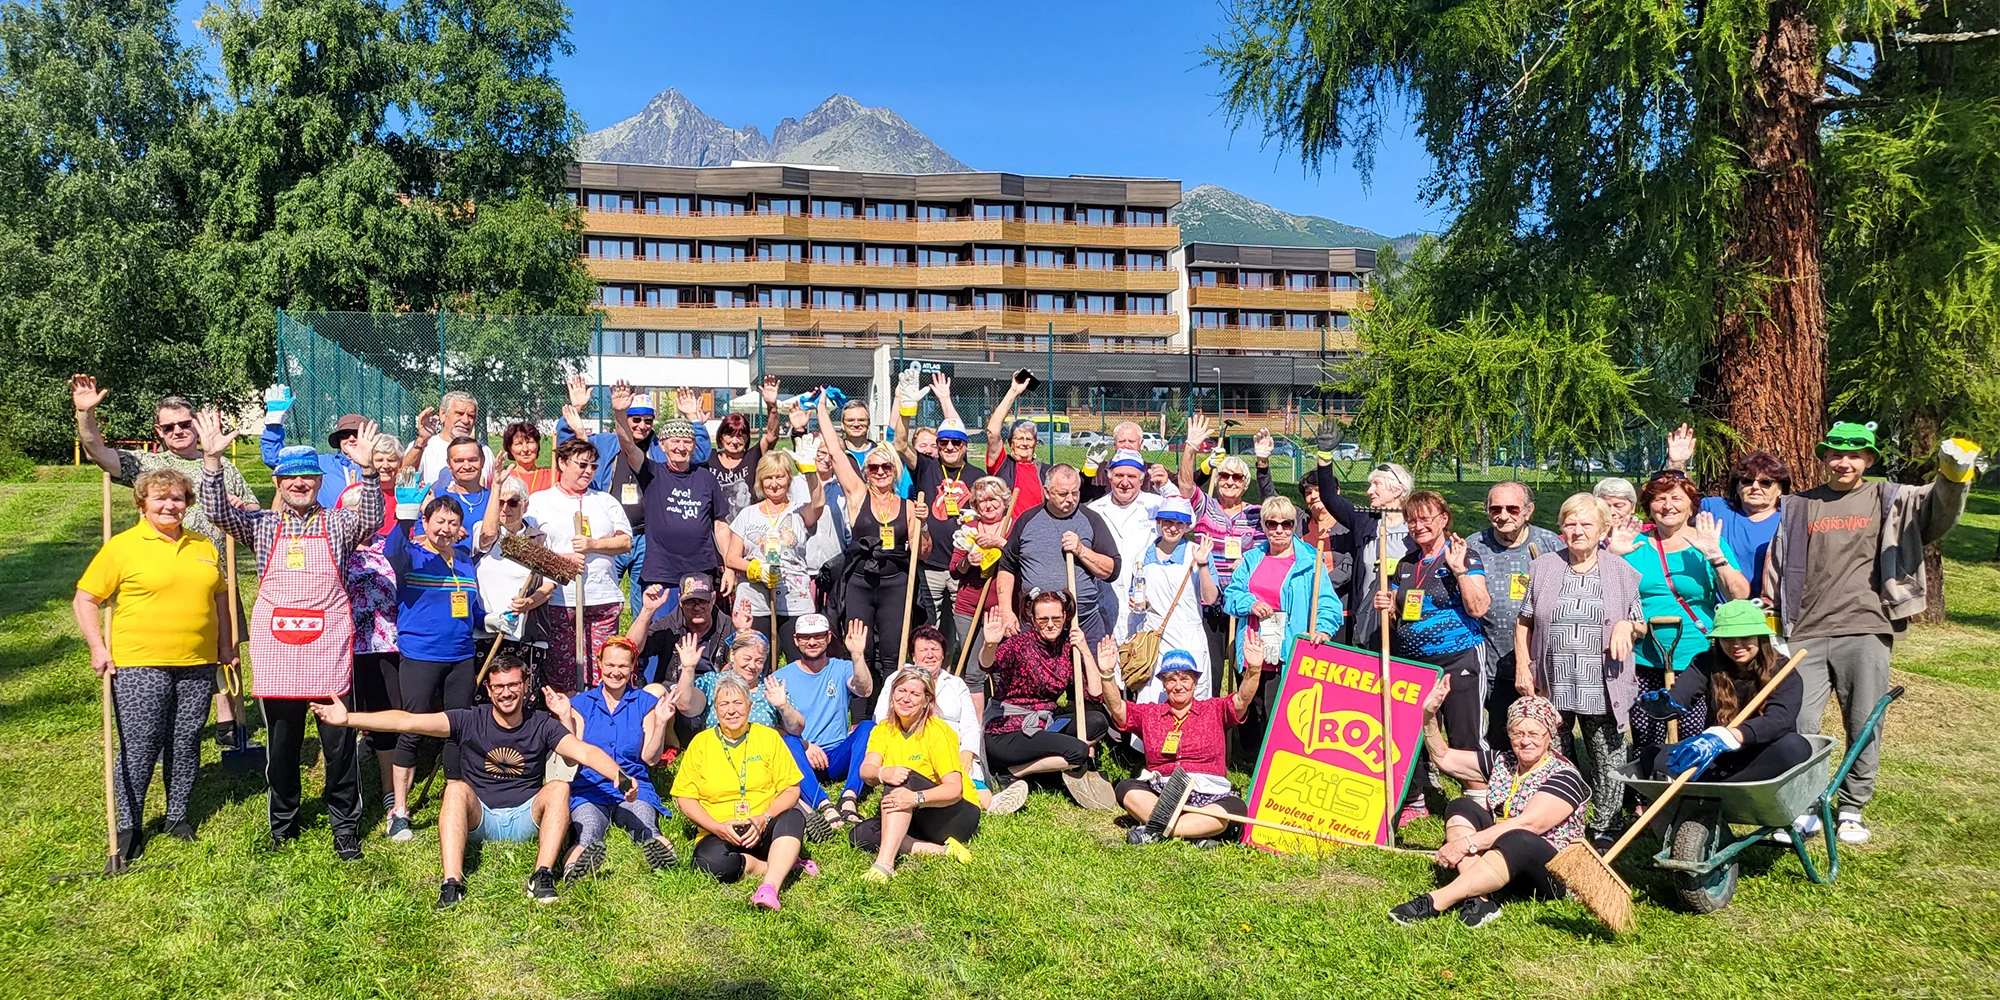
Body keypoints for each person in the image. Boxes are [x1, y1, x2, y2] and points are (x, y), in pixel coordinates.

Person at [1766, 424, 1978, 844]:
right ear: (1824, 458)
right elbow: (1777, 565)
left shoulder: (1891, 497)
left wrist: (1954, 474)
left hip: (1866, 627)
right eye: (1835, 454)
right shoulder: (1798, 506)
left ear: (1869, 460)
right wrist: (1774, 624)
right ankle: (1805, 804)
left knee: (1863, 721)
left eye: (1855, 455)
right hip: (1805, 630)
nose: (1843, 462)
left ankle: (1851, 808)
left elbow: (1940, 510)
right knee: (1797, 720)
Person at [198, 410, 382, 860]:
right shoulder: (261, 525)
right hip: (278, 651)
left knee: (339, 745)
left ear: (319, 482)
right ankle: (283, 824)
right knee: (282, 746)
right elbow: (216, 511)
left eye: (308, 477)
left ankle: (345, 827)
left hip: (328, 649)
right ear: (278, 482)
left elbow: (373, 518)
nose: (300, 484)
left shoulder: (339, 523)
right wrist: (212, 462)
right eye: (291, 478)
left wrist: (368, 470)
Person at [309, 655, 633, 907]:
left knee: (559, 788)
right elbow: (408, 721)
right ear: (488, 690)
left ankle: (542, 875)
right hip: (481, 817)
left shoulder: (541, 724)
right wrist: (349, 719)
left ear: (525, 686)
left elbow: (585, 752)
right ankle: (452, 884)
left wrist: (619, 776)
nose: (506, 693)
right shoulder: (468, 719)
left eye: (513, 685)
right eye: (498, 687)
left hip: (526, 817)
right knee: (455, 788)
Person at [70, 375, 260, 751]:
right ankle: (163, 729)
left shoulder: (224, 467)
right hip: (162, 580)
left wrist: (243, 508)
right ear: (158, 431)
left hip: (216, 577)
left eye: (184, 424)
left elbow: (254, 510)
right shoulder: (148, 464)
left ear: (196, 424)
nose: (177, 431)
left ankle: (229, 723)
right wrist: (84, 414)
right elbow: (97, 451)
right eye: (168, 427)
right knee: (170, 657)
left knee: (227, 653)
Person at [73, 468, 230, 861]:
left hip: (197, 661)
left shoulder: (203, 546)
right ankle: (129, 827)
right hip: (140, 663)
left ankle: (177, 817)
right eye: (160, 498)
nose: (169, 505)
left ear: (187, 504)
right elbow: (85, 599)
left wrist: (226, 646)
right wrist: (98, 647)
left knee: (186, 741)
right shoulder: (122, 547)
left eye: (177, 498)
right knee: (141, 746)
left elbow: (220, 599)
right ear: (142, 504)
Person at [1390, 684, 1591, 928]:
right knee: (1461, 807)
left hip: (1549, 872)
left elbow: (1530, 824)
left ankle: (1436, 900)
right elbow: (1443, 757)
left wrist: (1464, 844)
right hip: (1502, 855)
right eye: (1517, 733)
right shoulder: (1503, 761)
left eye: (1534, 734)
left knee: (1520, 837)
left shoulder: (1564, 775)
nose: (1525, 741)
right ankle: (1480, 900)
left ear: (1549, 736)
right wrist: (1429, 715)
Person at [1514, 493, 1642, 849]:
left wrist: (1625, 626)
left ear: (1603, 529)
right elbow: (1524, 622)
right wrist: (1524, 665)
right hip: (1553, 677)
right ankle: (1561, 818)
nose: (1578, 530)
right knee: (1556, 752)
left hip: (1601, 679)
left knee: (1607, 753)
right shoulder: (1544, 567)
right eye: (1570, 523)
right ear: (1561, 528)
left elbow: (1640, 623)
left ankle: (1605, 826)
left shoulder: (1620, 571)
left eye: (1586, 524)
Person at [1614, 474, 1748, 762]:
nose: (1668, 505)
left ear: (1691, 506)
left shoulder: (1708, 542)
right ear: (1648, 507)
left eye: (1677, 498)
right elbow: (1604, 592)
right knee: (1645, 732)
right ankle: (1649, 785)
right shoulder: (1633, 545)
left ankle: (1689, 783)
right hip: (1644, 656)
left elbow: (1740, 594)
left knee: (1693, 731)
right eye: (1659, 499)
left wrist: (1715, 555)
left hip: (1695, 657)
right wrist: (1612, 555)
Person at [1372, 492, 1492, 809]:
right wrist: (1388, 605)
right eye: (1412, 520)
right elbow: (1399, 611)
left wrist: (1459, 571)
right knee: (1413, 733)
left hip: (1458, 659)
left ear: (1443, 519)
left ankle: (1478, 803)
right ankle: (1416, 798)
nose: (1418, 526)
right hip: (1415, 664)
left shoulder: (1463, 555)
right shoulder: (1407, 564)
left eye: (1425, 518)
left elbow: (1479, 608)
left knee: (1464, 734)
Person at [1102, 635, 1267, 847]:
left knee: (1233, 809)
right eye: (1171, 680)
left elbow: (1242, 699)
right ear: (1163, 684)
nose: (1178, 686)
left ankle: (1156, 830)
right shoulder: (1149, 714)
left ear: (1195, 682)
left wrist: (1254, 669)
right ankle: (1195, 834)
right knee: (1126, 789)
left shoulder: (1214, 709)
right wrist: (1107, 674)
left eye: (1185, 679)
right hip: (1161, 792)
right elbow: (1118, 709)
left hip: (1209, 793)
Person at [558, 375, 703, 615]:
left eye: (648, 420)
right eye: (636, 419)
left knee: (645, 602)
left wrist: (693, 419)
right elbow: (567, 446)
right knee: (600, 594)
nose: (642, 426)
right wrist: (575, 410)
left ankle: (643, 638)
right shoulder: (606, 443)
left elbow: (699, 455)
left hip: (647, 537)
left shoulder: (660, 447)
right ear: (625, 418)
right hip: (610, 535)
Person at [672, 673, 817, 910]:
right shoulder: (701, 743)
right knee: (707, 863)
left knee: (793, 817)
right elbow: (685, 798)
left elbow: (791, 788)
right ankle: (773, 866)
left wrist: (764, 818)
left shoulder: (769, 737)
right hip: (719, 831)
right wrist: (716, 827)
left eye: (738, 703)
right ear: (715, 709)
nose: (731, 710)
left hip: (763, 825)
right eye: (724, 704)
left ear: (750, 706)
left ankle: (769, 887)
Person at [382, 495, 484, 836]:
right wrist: (404, 519)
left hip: (461, 655)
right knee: (413, 728)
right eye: (439, 521)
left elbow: (472, 608)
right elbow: (392, 551)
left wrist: (494, 619)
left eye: (453, 523)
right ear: (425, 523)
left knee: (457, 729)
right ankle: (399, 811)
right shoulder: (412, 555)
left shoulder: (464, 560)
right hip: (421, 655)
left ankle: (456, 802)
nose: (445, 529)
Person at [816, 391, 930, 684]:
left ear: (895, 471)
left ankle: (893, 703)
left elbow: (922, 553)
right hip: (860, 584)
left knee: (893, 654)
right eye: (873, 467)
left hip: (896, 585)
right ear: (866, 471)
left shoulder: (908, 506)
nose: (880, 472)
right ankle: (859, 706)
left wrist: (923, 525)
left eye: (886, 467)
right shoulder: (857, 494)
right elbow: (836, 452)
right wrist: (821, 410)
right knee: (860, 651)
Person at [1634, 600, 1810, 782]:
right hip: (1718, 756)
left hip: (1762, 753)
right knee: (1652, 754)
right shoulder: (1706, 662)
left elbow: (1779, 720)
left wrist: (1729, 736)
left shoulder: (1782, 670)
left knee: (1794, 747)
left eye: (1745, 637)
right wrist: (1667, 704)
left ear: (1760, 638)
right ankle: (1713, 785)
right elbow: (1682, 693)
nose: (1736, 645)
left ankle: (1719, 788)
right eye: (1727, 639)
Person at [550, 638, 681, 878]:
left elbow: (650, 759)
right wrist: (565, 718)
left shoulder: (645, 702)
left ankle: (665, 859)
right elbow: (571, 760)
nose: (615, 672)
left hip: (634, 786)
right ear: (599, 664)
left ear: (632, 668)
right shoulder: (581, 703)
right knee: (587, 830)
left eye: (622, 666)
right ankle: (574, 869)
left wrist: (661, 723)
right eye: (610, 665)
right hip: (590, 788)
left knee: (646, 825)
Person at [1221, 495, 1343, 744]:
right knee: (1250, 706)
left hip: (1288, 648)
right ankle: (1250, 758)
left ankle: (1277, 752)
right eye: (1272, 524)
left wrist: (1323, 629)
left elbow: (1328, 603)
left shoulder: (1310, 561)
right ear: (1264, 526)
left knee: (1278, 710)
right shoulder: (1252, 559)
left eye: (1286, 524)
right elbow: (1231, 596)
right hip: (1253, 644)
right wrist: (1250, 604)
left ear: (1293, 525)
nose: (1279, 530)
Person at [338, 441, 413, 840]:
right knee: (346, 721)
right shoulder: (334, 552)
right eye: (350, 513)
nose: (359, 519)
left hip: (387, 646)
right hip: (345, 647)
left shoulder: (389, 549)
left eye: (363, 511)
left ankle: (389, 791)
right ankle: (345, 793)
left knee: (387, 719)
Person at [871, 624, 1024, 814]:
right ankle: (983, 803)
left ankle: (992, 803)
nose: (930, 655)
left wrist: (967, 752)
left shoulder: (956, 684)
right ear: (913, 656)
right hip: (913, 747)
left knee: (966, 771)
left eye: (935, 649)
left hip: (953, 748)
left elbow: (970, 724)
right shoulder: (898, 680)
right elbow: (882, 718)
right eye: (923, 650)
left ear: (943, 655)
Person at [610, 381, 730, 618]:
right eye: (674, 441)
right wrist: (619, 414)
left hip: (700, 573)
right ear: (662, 446)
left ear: (694, 446)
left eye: (687, 441)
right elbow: (628, 446)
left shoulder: (706, 478)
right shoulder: (652, 473)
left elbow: (720, 524)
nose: (681, 447)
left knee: (699, 631)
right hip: (661, 574)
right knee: (658, 633)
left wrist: (729, 565)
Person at [851, 667, 980, 880]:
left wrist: (914, 798)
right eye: (901, 691)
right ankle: (941, 851)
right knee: (861, 834)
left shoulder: (938, 731)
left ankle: (884, 866)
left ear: (926, 700)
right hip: (917, 811)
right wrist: (882, 773)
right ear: (892, 694)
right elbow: (867, 770)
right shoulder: (883, 729)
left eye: (915, 694)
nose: (906, 699)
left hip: (957, 813)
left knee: (902, 779)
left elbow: (954, 789)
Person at [978, 591, 1111, 794]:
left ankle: (1045, 763)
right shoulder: (1019, 645)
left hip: (1045, 723)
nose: (1050, 624)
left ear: (1064, 617)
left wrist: (1084, 649)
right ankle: (1010, 773)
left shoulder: (1068, 646)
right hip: (1008, 731)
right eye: (1043, 619)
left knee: (1098, 721)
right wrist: (990, 644)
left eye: (1056, 618)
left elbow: (1095, 694)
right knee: (1079, 751)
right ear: (1033, 619)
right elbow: (988, 664)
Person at [528, 437, 633, 693]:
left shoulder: (604, 501)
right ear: (563, 463)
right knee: (562, 670)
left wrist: (593, 544)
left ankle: (598, 712)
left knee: (603, 670)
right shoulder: (540, 502)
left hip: (601, 598)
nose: (588, 471)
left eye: (593, 466)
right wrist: (562, 560)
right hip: (560, 600)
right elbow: (529, 549)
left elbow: (625, 541)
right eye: (582, 465)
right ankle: (566, 714)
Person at [1465, 482, 1564, 748]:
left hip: (1543, 663)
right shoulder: (1473, 546)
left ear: (1528, 511)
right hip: (1493, 662)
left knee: (1544, 739)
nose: (1503, 515)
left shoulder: (1550, 544)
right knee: (1503, 736)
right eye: (1495, 509)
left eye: (1513, 509)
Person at [893, 370, 977, 658]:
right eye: (943, 442)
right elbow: (900, 444)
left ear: (965, 446)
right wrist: (906, 409)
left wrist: (945, 399)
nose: (949, 447)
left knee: (962, 627)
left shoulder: (976, 475)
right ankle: (929, 670)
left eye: (956, 442)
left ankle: (961, 673)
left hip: (963, 565)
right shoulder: (927, 467)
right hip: (930, 563)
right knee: (931, 626)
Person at [770, 615, 874, 832]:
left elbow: (864, 690)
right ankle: (823, 804)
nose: (812, 642)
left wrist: (857, 656)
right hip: (802, 758)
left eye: (818, 636)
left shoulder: (842, 668)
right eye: (805, 637)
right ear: (796, 640)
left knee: (867, 728)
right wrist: (805, 746)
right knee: (788, 741)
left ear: (828, 638)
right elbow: (771, 727)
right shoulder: (780, 677)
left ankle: (849, 797)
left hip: (836, 755)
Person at [995, 465, 1119, 644]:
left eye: (1075, 493)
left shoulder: (1091, 520)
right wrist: (1006, 611)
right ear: (1047, 492)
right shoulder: (1028, 520)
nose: (1070, 499)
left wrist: (1082, 551)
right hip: (1037, 624)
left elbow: (1112, 570)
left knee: (1090, 663)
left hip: (1082, 623)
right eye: (1063, 494)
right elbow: (1006, 567)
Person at [1178, 415, 1262, 675]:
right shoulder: (1207, 507)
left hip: (1244, 602)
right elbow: (1185, 486)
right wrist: (1191, 448)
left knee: (1245, 672)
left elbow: (1265, 553)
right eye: (1224, 475)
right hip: (1210, 601)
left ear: (1245, 484)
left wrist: (1247, 563)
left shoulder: (1256, 514)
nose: (1229, 481)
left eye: (1237, 477)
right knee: (1211, 670)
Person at [723, 450, 823, 661]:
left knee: (800, 662)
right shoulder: (747, 514)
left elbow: (818, 504)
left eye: (780, 477)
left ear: (789, 479)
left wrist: (810, 473)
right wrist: (756, 570)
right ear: (761, 480)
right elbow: (731, 557)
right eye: (769, 477)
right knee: (755, 662)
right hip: (755, 602)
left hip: (795, 600)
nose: (774, 483)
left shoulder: (799, 512)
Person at [1315, 457, 1414, 650]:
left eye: (1376, 484)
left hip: (1405, 619)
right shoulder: (1365, 520)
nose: (1369, 491)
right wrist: (1325, 459)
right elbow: (1330, 498)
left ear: (1397, 490)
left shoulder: (1416, 525)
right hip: (1367, 619)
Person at [1127, 497, 1219, 702]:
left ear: (1187, 527)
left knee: (1191, 699)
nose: (1173, 528)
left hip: (1189, 637)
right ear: (1159, 522)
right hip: (1154, 640)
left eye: (1179, 523)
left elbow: (1211, 598)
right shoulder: (1141, 557)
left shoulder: (1197, 553)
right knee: (1152, 699)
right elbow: (1138, 596)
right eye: (1168, 522)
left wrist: (1202, 565)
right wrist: (1139, 603)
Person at [470, 469, 557, 680]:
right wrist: (496, 486)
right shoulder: (482, 531)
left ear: (525, 505)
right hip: (486, 632)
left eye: (513, 502)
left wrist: (528, 602)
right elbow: (488, 535)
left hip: (525, 636)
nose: (505, 508)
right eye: (500, 502)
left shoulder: (539, 539)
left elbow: (548, 587)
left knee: (522, 694)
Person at [946, 476, 1013, 714]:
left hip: (1002, 608)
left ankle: (1003, 720)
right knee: (974, 672)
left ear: (1004, 501)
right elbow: (955, 570)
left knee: (1001, 668)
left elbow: (1024, 560)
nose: (988, 505)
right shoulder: (969, 530)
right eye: (982, 501)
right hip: (969, 608)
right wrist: (968, 560)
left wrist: (1001, 543)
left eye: (993, 499)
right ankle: (976, 727)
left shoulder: (1014, 527)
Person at [1088, 449, 1164, 643]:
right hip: (1106, 599)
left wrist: (1167, 488)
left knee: (1145, 654)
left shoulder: (1157, 506)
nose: (1125, 482)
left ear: (1141, 479)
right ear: (1109, 477)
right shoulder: (1094, 511)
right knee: (1108, 654)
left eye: (1131, 476)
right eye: (1119, 475)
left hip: (1147, 601)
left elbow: (1189, 521)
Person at [258, 401, 374, 510]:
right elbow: (277, 460)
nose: (351, 439)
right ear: (338, 439)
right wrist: (274, 425)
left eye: (357, 434)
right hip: (329, 523)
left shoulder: (378, 464)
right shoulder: (322, 463)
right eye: (345, 434)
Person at [628, 576, 730, 694]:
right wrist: (647, 610)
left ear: (713, 599)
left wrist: (742, 631)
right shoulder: (668, 625)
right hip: (672, 688)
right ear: (680, 600)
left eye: (703, 601)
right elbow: (630, 649)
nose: (697, 607)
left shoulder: (727, 625)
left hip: (717, 689)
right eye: (690, 602)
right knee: (652, 692)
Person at [707, 377, 783, 523]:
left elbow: (771, 436)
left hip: (749, 526)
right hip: (716, 527)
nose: (734, 441)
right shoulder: (710, 458)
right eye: (729, 435)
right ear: (721, 437)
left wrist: (772, 407)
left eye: (740, 436)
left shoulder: (753, 456)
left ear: (747, 438)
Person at [984, 370, 1046, 518]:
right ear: (1011, 443)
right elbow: (993, 431)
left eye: (1029, 439)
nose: (1024, 443)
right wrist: (1013, 392)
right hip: (1009, 528)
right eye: (1019, 439)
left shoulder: (1046, 472)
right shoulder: (1002, 466)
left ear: (1035, 443)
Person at [405, 390, 494, 487]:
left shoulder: (485, 451)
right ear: (443, 414)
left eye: (471, 416)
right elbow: (402, 480)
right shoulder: (424, 447)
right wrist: (421, 441)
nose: (465, 421)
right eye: (459, 413)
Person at [420, 436, 492, 551]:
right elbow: (418, 540)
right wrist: (447, 532)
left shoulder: (496, 500)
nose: (467, 466)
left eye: (473, 460)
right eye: (459, 461)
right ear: (449, 464)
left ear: (482, 461)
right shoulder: (436, 499)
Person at [498, 421, 556, 494]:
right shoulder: (504, 478)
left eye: (529, 442)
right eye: (519, 444)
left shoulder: (553, 476)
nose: (525, 449)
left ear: (537, 445)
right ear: (510, 448)